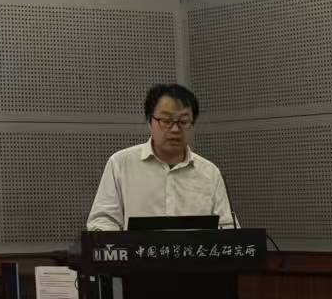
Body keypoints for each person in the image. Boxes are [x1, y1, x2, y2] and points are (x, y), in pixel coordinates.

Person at [86, 82, 236, 230]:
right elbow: (102, 221)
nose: (175, 129)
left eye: (183, 121)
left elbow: (227, 227)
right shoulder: (120, 164)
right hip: (137, 247)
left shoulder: (210, 173)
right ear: (149, 121)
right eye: (166, 121)